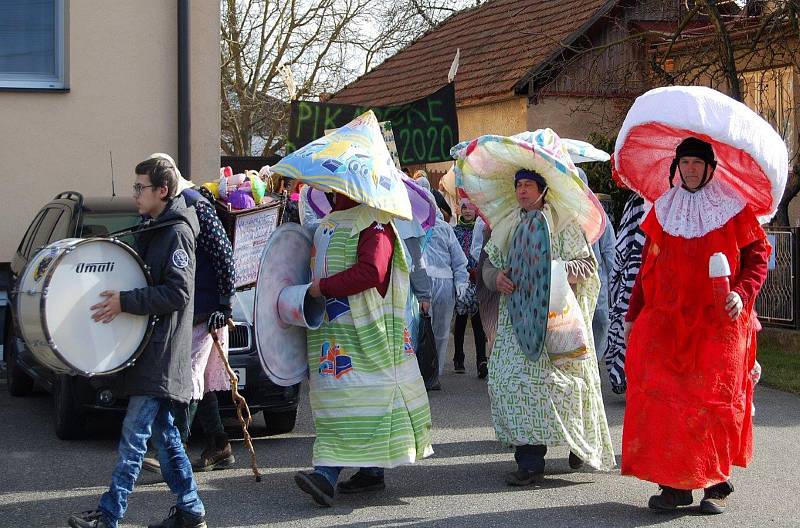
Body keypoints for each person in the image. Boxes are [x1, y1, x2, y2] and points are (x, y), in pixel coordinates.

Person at [622, 137, 770, 514]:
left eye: (696, 162)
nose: (689, 169)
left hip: (718, 324)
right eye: (684, 162)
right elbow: (647, 268)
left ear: (709, 167)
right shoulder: (664, 209)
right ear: (677, 167)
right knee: (667, 401)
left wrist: (742, 292)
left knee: (711, 403)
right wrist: (633, 313)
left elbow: (758, 257)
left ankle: (714, 482)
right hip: (669, 322)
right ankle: (674, 486)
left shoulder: (733, 208)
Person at [68, 157, 205, 528]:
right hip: (148, 348)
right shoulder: (153, 227)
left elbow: (177, 293)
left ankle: (109, 516)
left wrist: (124, 302)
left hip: (161, 352)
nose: (135, 194)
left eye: (140, 187)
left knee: (134, 435)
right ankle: (191, 509)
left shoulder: (176, 233)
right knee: (165, 436)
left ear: (162, 190)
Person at [294, 192, 433, 507]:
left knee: (355, 401)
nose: (330, 190)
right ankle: (370, 471)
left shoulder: (375, 224)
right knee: (342, 403)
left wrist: (323, 288)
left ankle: (325, 475)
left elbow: (373, 271)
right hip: (332, 336)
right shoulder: (328, 223)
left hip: (366, 337)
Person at [482, 168, 615, 486]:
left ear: (543, 189)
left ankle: (578, 441)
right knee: (511, 382)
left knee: (563, 386)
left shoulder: (564, 222)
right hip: (518, 319)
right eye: (518, 185)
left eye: (528, 185)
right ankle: (529, 462)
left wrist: (553, 269)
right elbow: (489, 264)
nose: (522, 191)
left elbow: (587, 266)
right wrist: (496, 278)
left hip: (558, 317)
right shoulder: (508, 224)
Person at [139, 154, 237, 476]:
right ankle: (219, 445)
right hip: (190, 307)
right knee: (203, 381)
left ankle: (171, 449)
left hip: (204, 307)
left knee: (187, 376)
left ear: (164, 187)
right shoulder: (161, 214)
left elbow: (224, 254)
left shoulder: (195, 206)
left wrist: (224, 304)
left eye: (141, 187)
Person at [604, 193, 646, 393]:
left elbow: (619, 248)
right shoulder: (638, 201)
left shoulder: (638, 201)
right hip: (636, 276)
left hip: (635, 274)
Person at [422, 206, 469, 383]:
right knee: (424, 330)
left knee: (440, 331)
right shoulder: (414, 227)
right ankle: (425, 371)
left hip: (443, 283)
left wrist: (461, 281)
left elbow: (458, 259)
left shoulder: (444, 228)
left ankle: (435, 372)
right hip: (425, 282)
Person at [576, 168, 616, 362]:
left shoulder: (597, 214)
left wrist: (614, 278)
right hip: (572, 280)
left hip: (598, 278)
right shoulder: (560, 212)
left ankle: (594, 361)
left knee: (600, 321)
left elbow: (609, 248)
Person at [452, 199, 488, 378]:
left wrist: (478, 270)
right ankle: (458, 356)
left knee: (478, 320)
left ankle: (482, 359)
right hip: (461, 281)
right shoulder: (454, 231)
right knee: (460, 319)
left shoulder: (481, 228)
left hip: (477, 278)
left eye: (470, 208)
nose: (467, 211)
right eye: (464, 208)